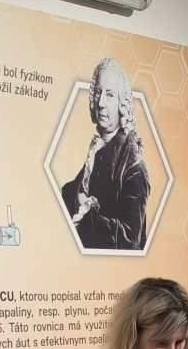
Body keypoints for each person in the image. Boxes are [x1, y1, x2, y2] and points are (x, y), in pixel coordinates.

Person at [60, 57, 151, 251]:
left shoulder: (134, 167)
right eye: (98, 92)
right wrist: (76, 199)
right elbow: (72, 192)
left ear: (121, 103)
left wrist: (87, 215)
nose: (101, 102)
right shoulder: (99, 149)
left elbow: (129, 242)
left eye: (109, 95)